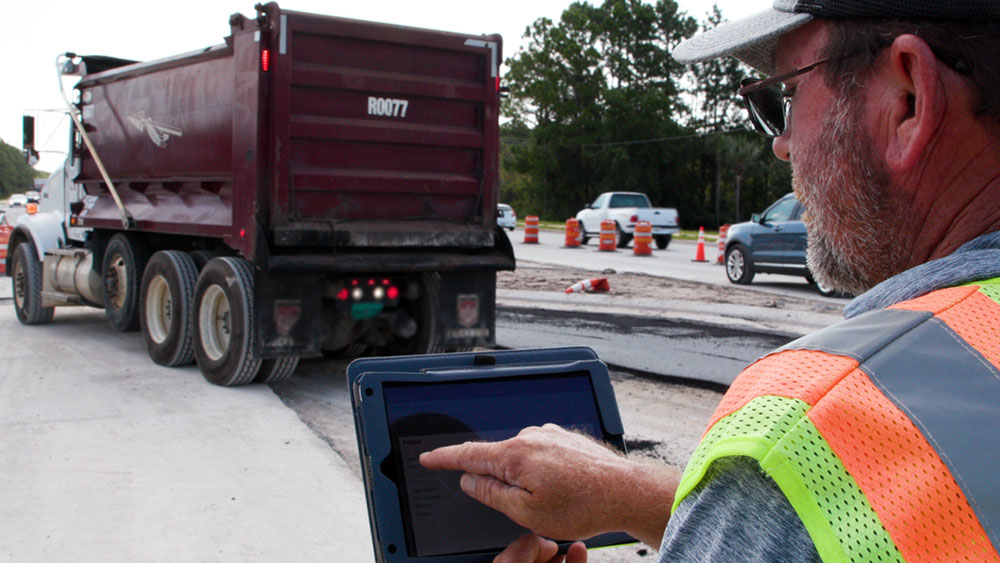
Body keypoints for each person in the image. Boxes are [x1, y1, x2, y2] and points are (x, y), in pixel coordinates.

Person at [420, 0, 1000, 560]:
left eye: (788, 97)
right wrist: (626, 492)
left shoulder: (810, 431)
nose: (781, 143)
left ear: (908, 99)